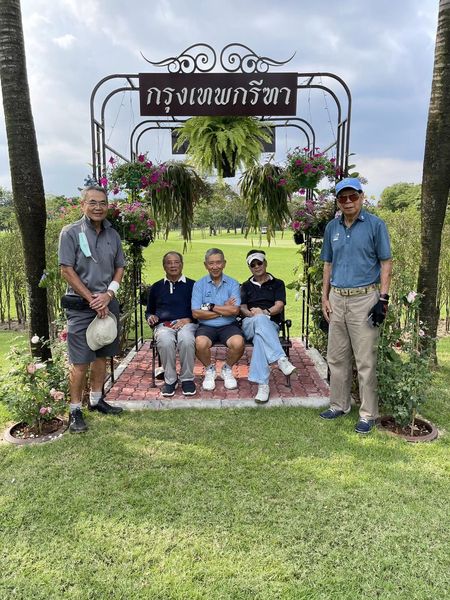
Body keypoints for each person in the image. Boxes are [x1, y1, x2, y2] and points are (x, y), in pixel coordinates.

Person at [320, 177, 392, 434]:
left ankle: (368, 413)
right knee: (336, 357)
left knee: (365, 360)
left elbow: (386, 263)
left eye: (352, 197)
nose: (348, 202)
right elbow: (327, 264)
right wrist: (324, 297)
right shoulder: (332, 227)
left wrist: (382, 299)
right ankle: (338, 404)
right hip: (338, 298)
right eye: (342, 198)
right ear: (338, 201)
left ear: (362, 197)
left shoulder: (375, 225)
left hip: (365, 298)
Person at [58, 184, 125, 433]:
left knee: (102, 355)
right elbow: (66, 270)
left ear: (108, 206)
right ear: (83, 205)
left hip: (108, 304)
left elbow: (120, 267)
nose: (98, 207)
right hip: (81, 307)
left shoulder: (113, 235)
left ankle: (96, 400)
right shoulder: (71, 232)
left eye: (103, 203)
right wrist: (91, 299)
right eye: (93, 202)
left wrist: (109, 294)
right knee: (80, 361)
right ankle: (75, 410)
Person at [241, 250, 296, 403]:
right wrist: (253, 314)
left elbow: (279, 306)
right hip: (249, 323)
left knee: (260, 338)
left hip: (270, 324)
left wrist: (263, 312)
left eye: (259, 263)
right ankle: (281, 359)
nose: (257, 266)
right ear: (250, 268)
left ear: (265, 263)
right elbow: (242, 308)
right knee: (258, 322)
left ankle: (263, 385)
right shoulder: (245, 286)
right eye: (253, 265)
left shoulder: (278, 283)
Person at [191, 248, 244, 391]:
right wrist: (223, 309)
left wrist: (209, 306)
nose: (215, 267)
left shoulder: (233, 283)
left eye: (218, 262)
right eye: (211, 263)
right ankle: (210, 370)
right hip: (206, 326)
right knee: (200, 343)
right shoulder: (199, 285)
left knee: (238, 343)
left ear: (224, 263)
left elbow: (234, 310)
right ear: (205, 265)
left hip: (229, 325)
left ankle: (227, 368)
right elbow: (196, 313)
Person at [145, 251, 197, 397]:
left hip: (187, 323)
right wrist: (151, 317)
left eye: (176, 262)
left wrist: (189, 319)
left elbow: (199, 310)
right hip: (164, 325)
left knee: (186, 339)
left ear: (182, 264)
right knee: (165, 340)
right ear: (164, 266)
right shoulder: (156, 287)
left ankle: (187, 379)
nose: (173, 265)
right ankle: (170, 380)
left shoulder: (193, 285)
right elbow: (149, 311)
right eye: (169, 262)